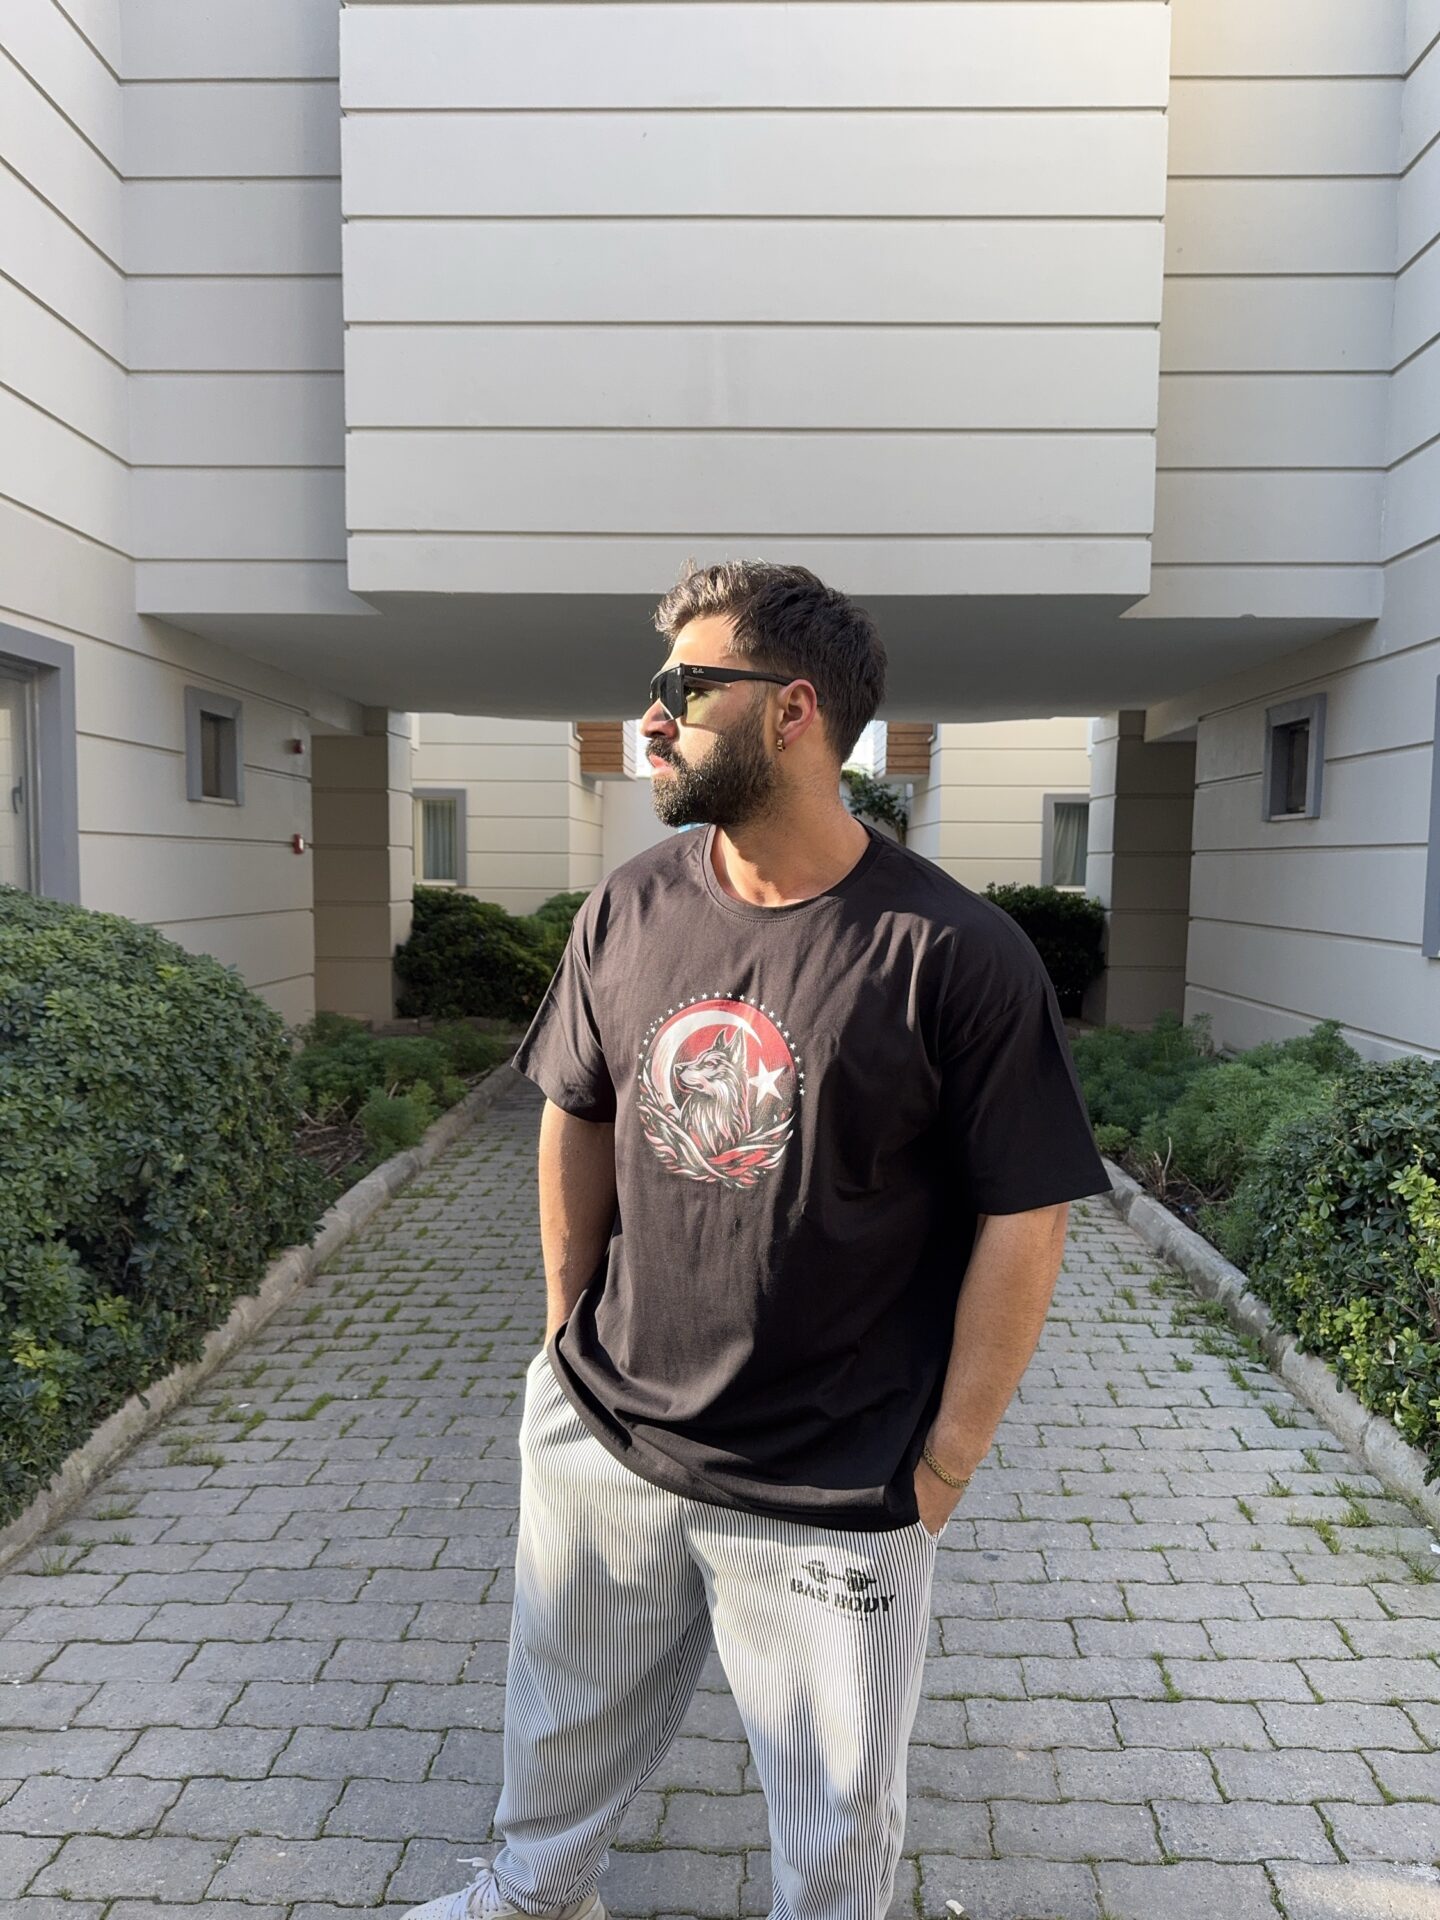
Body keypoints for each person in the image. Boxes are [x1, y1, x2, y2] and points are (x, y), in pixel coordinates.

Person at [403, 561, 1110, 1920]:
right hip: (608, 1433)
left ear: (793, 712)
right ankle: (535, 1898)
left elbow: (1027, 1215)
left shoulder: (951, 953)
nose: (649, 717)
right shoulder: (628, 908)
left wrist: (947, 1465)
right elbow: (575, 1113)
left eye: (684, 687)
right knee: (558, 1723)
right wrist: (564, 1340)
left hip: (830, 1483)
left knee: (832, 1829)